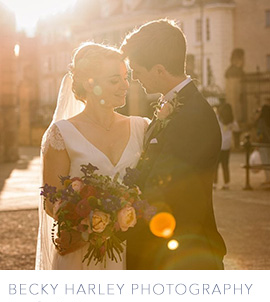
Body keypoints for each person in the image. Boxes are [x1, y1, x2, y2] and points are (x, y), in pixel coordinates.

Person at [121, 19, 227, 270]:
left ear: (159, 70)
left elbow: (166, 187)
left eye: (137, 71)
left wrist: (117, 211)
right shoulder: (178, 105)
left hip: (183, 255)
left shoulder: (193, 116)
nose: (135, 79)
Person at [35, 42, 149, 270]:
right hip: (80, 256)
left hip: (132, 252)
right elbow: (51, 202)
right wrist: (95, 220)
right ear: (90, 84)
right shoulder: (62, 134)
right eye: (114, 80)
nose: (125, 86)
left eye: (125, 78)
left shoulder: (142, 127)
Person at [213, 103, 235, 190]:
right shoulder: (231, 120)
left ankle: (214, 183)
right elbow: (236, 128)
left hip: (218, 144)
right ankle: (226, 183)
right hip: (227, 144)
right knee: (225, 165)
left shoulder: (218, 118)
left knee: (216, 165)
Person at [256, 104, 270, 185]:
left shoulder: (261, 120)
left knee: (266, 161)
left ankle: (268, 178)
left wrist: (258, 142)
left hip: (264, 143)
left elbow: (260, 133)